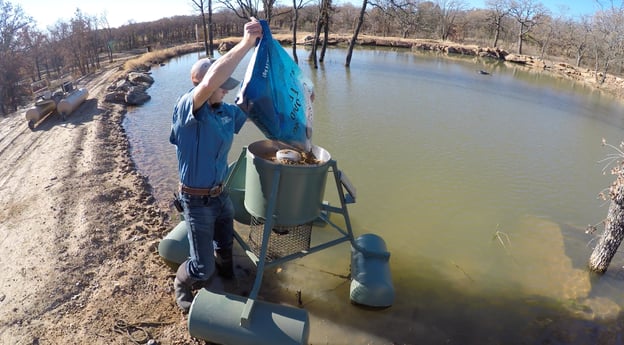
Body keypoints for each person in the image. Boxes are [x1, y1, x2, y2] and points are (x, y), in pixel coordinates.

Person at [169, 18, 263, 313]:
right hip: (196, 201)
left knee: (224, 245)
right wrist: (246, 43)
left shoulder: (224, 111)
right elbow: (211, 81)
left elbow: (253, 106)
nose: (225, 91)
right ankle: (182, 282)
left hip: (220, 196)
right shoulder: (187, 108)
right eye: (223, 86)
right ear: (201, 84)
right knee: (201, 266)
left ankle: (227, 276)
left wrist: (300, 98)